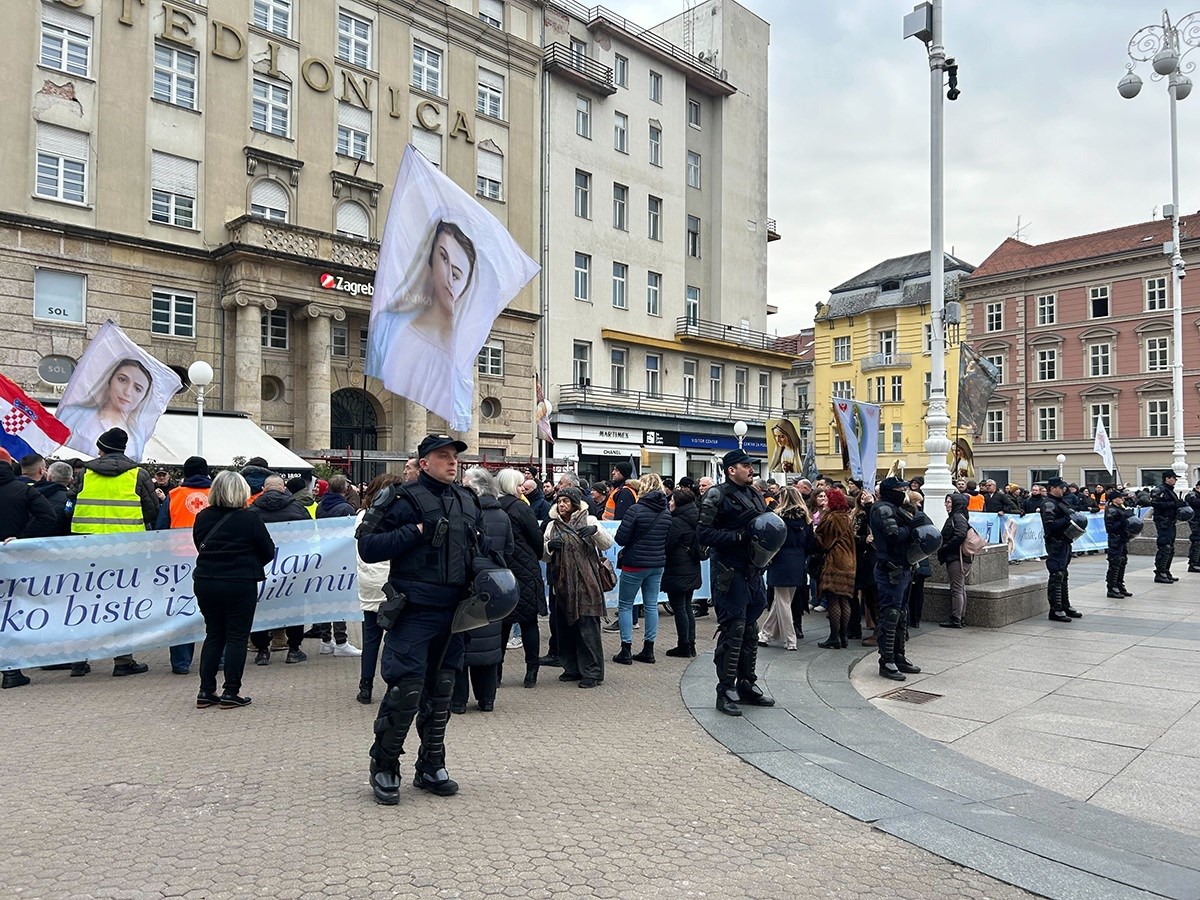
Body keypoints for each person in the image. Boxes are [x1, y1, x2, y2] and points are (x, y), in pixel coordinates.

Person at [358, 434, 491, 803]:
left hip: (456, 615)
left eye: (455, 458)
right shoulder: (401, 498)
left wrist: (489, 574)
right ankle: (384, 765)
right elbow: (367, 546)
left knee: (443, 690)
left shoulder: (468, 500)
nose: (452, 463)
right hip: (414, 612)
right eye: (443, 456)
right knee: (406, 690)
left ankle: (431, 765)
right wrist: (414, 531)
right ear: (423, 463)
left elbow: (481, 550)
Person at [70, 427, 158, 677]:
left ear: (100, 448)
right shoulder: (138, 474)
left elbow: (70, 502)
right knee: (123, 603)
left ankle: (79, 660)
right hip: (127, 550)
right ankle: (122, 661)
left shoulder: (85, 473)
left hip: (86, 548)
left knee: (85, 602)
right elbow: (151, 510)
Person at [698, 448, 775, 717]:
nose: (751, 469)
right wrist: (738, 537)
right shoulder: (716, 495)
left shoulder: (754, 493)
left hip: (753, 568)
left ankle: (746, 683)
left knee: (750, 630)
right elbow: (704, 534)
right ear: (731, 469)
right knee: (734, 630)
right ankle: (725, 690)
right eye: (746, 465)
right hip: (729, 570)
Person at [192, 470, 276, 710]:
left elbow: (200, 545)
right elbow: (268, 552)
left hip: (206, 579)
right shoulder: (250, 519)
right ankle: (231, 691)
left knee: (214, 634)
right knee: (237, 636)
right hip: (239, 581)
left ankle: (206, 690)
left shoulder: (203, 517)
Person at [453, 468, 512, 713]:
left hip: (466, 585)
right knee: (488, 644)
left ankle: (458, 701)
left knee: (461, 644)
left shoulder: (463, 513)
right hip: (494, 586)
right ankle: (487, 699)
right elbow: (508, 551)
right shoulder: (503, 515)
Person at [543, 487, 611, 688]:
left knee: (587, 628)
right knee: (565, 627)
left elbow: (607, 544)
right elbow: (544, 555)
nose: (561, 504)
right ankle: (571, 667)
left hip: (586, 583)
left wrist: (595, 531)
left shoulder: (589, 520)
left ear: (574, 503)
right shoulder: (552, 526)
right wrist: (549, 547)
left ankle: (593, 671)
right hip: (563, 584)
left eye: (565, 501)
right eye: (559, 501)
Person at [0, 458, 58, 690]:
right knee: (11, 613)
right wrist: (21, 539)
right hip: (14, 560)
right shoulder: (23, 490)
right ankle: (11, 671)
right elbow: (48, 517)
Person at [156, 456, 212, 675]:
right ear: (206, 472)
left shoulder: (173, 495)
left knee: (181, 610)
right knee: (216, 612)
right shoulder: (217, 494)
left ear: (185, 474)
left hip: (179, 562)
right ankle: (219, 659)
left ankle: (181, 663)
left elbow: (161, 529)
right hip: (211, 559)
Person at [249, 475, 312, 665]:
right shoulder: (298, 509)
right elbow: (310, 533)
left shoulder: (252, 511)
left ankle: (262, 651)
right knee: (294, 608)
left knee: (260, 607)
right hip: (293, 569)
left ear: (263, 488)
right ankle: (293, 649)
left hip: (263, 568)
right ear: (284, 488)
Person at [611, 472, 671, 665]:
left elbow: (620, 538)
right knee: (651, 605)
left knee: (626, 605)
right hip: (657, 564)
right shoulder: (666, 512)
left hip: (634, 563)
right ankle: (648, 649)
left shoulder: (635, 510)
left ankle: (626, 649)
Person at [496, 468, 547, 688]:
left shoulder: (491, 507)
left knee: (501, 624)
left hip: (500, 570)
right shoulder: (520, 508)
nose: (521, 489)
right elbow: (536, 539)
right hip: (525, 568)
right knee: (529, 623)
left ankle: (495, 673)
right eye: (519, 485)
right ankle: (531, 672)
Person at [355, 474, 403, 705]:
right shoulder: (397, 517)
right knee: (395, 638)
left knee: (371, 638)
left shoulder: (362, 517)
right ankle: (394, 685)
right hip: (391, 581)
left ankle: (365, 685)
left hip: (368, 581)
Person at [871, 477, 922, 681]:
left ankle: (898, 655)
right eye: (901, 489)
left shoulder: (895, 507)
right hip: (890, 568)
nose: (904, 492)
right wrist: (911, 527)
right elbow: (893, 535)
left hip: (903, 566)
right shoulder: (883, 508)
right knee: (891, 614)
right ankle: (887, 660)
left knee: (901, 614)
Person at [58, 357, 155, 460]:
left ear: (143, 397)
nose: (127, 392)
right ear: (110, 379)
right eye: (122, 380)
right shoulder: (73, 415)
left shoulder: (137, 439)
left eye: (137, 388)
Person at [313, 473, 363, 657]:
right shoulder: (345, 509)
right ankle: (341, 641)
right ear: (345, 489)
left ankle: (326, 641)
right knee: (341, 598)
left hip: (325, 555)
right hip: (342, 559)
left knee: (326, 598)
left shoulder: (320, 506)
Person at [760, 486, 810, 650]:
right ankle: (765, 634)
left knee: (782, 602)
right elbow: (811, 544)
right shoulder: (805, 519)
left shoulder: (777, 518)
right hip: (798, 561)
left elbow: (772, 541)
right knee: (782, 601)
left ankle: (790, 640)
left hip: (780, 560)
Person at [661, 488, 702, 658]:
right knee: (686, 607)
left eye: (672, 500)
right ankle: (690, 643)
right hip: (691, 567)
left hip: (677, 569)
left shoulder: (677, 521)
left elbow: (668, 544)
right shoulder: (695, 517)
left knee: (680, 608)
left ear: (678, 503)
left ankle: (683, 645)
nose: (669, 503)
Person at [813, 488, 855, 649]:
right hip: (849, 561)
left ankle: (834, 637)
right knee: (844, 599)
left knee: (833, 599)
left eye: (827, 499)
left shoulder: (831, 518)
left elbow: (824, 543)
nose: (824, 501)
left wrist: (815, 533)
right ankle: (843, 636)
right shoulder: (846, 517)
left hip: (835, 561)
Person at [1041, 476, 1080, 622]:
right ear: (1052, 488)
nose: (1063, 489)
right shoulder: (1049, 504)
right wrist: (1068, 519)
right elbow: (1050, 525)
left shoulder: (1060, 502)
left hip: (1065, 541)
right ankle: (1056, 609)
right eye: (1060, 487)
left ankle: (1065, 605)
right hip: (1055, 542)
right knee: (1056, 575)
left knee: (1063, 574)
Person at [938, 493, 971, 628]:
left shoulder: (957, 517)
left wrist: (946, 547)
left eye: (949, 502)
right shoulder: (959, 516)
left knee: (957, 588)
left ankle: (956, 618)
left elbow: (960, 534)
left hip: (956, 557)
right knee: (960, 588)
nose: (946, 504)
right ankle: (959, 616)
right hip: (958, 556)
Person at [1151, 471, 1184, 583]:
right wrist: (1173, 504)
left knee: (1170, 547)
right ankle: (1160, 572)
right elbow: (1155, 503)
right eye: (1174, 478)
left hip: (1170, 521)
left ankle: (1166, 570)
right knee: (1165, 546)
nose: (1175, 480)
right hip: (1163, 521)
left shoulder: (1170, 491)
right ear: (1167, 478)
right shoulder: (1160, 490)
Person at [1105, 491, 1136, 599]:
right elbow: (1110, 527)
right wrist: (1123, 520)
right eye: (1119, 498)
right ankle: (1112, 587)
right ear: (1114, 499)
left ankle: (1119, 584)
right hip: (1115, 539)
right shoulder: (1111, 510)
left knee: (1122, 561)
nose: (1122, 499)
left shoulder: (1121, 508)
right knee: (1115, 562)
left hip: (1122, 538)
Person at [36, 461, 75, 536]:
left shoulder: (32, 493)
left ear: (49, 477)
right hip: (61, 544)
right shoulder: (72, 500)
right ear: (70, 480)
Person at [1186, 483, 1200, 574]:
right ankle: (1193, 563)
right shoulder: (1192, 495)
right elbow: (1193, 501)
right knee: (1197, 541)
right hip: (1195, 521)